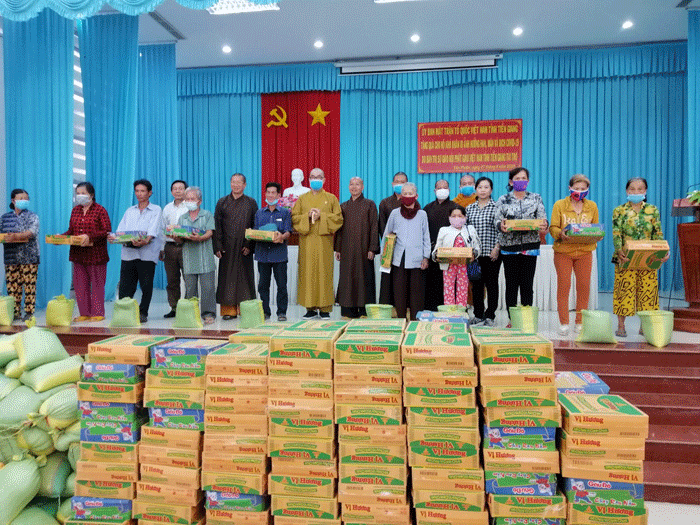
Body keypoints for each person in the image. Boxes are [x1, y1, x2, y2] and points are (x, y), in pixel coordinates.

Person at [611, 177, 668, 337]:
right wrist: (619, 250)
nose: (636, 192)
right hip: (625, 257)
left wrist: (663, 251)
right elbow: (616, 234)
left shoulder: (653, 210)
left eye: (640, 189)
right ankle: (621, 325)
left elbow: (658, 233)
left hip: (648, 257)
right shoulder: (619, 211)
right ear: (627, 191)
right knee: (624, 291)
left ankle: (645, 325)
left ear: (645, 191)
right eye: (632, 189)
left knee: (647, 291)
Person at [495, 167, 548, 320]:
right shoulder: (503, 199)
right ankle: (512, 319)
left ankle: (526, 319)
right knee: (511, 285)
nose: (520, 181)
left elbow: (542, 218)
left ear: (528, 181)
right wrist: (501, 226)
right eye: (517, 178)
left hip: (530, 247)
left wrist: (544, 225)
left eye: (523, 178)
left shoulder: (536, 198)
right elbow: (496, 220)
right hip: (509, 247)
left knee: (527, 284)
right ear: (511, 181)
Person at [549, 174, 599, 335]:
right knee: (564, 287)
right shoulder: (559, 205)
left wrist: (598, 234)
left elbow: (596, 227)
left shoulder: (592, 206)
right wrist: (560, 233)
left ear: (588, 190)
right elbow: (553, 228)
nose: (579, 191)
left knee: (583, 287)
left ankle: (580, 322)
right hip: (564, 252)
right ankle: (564, 322)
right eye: (576, 188)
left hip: (585, 251)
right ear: (570, 188)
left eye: (583, 189)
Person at [292, 168, 343, 319]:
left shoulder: (331, 198)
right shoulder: (302, 199)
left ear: (324, 179)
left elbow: (338, 219)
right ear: (308, 179)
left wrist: (323, 216)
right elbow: (294, 218)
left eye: (319, 177)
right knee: (307, 273)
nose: (316, 179)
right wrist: (306, 216)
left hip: (324, 242)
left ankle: (325, 308)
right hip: (307, 241)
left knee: (324, 273)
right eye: (313, 177)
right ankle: (310, 308)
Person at [111, 179, 164, 323]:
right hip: (129, 253)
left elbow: (153, 230)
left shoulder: (156, 209)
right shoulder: (129, 211)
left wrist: (145, 240)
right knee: (126, 286)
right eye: (137, 191)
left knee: (146, 285)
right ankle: (124, 312)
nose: (139, 194)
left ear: (150, 193)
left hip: (147, 254)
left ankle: (143, 312)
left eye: (143, 191)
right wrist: (115, 238)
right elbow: (120, 230)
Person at [64, 182, 111, 322]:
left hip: (96, 254)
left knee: (97, 284)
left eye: (83, 193)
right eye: (78, 193)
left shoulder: (100, 210)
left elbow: (106, 230)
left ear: (91, 195)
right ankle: (84, 313)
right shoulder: (75, 210)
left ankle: (98, 313)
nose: (80, 196)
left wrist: (89, 236)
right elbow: (71, 231)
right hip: (78, 254)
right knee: (80, 285)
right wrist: (61, 237)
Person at [383, 182, 430, 320]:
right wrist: (385, 255)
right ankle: (401, 319)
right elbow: (387, 234)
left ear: (416, 196)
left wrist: (426, 257)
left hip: (417, 258)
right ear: (401, 196)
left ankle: (416, 320)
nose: (408, 196)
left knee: (416, 292)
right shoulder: (394, 213)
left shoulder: (422, 214)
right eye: (405, 194)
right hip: (399, 257)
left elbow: (426, 236)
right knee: (399, 291)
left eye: (411, 194)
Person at [214, 173, 257, 320]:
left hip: (244, 247)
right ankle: (228, 311)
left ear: (245, 185)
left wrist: (249, 245)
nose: (236, 185)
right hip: (227, 247)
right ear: (230, 183)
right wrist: (217, 246)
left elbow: (254, 225)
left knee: (245, 278)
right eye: (233, 182)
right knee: (227, 279)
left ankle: (246, 309)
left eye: (239, 182)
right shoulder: (222, 202)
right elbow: (217, 226)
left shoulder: (251, 203)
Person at [334, 177, 380, 318]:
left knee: (364, 278)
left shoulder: (369, 205)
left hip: (364, 249)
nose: (354, 187)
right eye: (351, 184)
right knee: (347, 278)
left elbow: (374, 227)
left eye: (357, 184)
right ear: (348, 187)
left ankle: (364, 311)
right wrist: (338, 248)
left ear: (362, 187)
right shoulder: (343, 206)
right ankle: (348, 311)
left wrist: (372, 248)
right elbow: (339, 229)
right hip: (347, 249)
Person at [174, 187, 216, 324]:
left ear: (199, 201)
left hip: (205, 258)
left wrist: (200, 237)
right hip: (188, 259)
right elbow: (180, 239)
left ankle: (208, 314)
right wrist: (175, 237)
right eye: (187, 199)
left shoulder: (207, 215)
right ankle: (192, 313)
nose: (189, 201)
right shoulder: (182, 218)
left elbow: (210, 232)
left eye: (192, 199)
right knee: (190, 288)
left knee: (208, 288)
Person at [254, 182, 291, 322]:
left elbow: (288, 231)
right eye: (268, 192)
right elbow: (255, 231)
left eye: (273, 192)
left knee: (282, 285)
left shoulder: (285, 212)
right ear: (265, 194)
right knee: (263, 286)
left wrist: (282, 237)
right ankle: (265, 312)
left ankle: (282, 312)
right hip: (262, 255)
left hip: (279, 255)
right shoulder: (259, 213)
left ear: (279, 195)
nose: (270, 195)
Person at [466, 177, 501, 326]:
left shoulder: (497, 207)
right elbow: (465, 231)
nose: (483, 190)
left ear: (491, 190)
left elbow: (501, 230)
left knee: (492, 285)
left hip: (491, 254)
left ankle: (490, 315)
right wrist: (469, 251)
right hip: (474, 256)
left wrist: (497, 248)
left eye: (486, 187)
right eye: (480, 187)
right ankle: (478, 314)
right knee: (476, 285)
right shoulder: (469, 209)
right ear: (476, 189)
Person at [0, 189, 40, 321]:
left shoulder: (32, 216)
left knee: (29, 286)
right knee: (12, 287)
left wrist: (17, 236)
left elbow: (32, 232)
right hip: (11, 257)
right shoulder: (5, 218)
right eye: (21, 198)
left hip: (29, 256)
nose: (24, 200)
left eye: (26, 198)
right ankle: (15, 312)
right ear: (13, 200)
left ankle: (29, 312)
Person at [432, 206, 481, 308]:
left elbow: (477, 247)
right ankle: (449, 313)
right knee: (448, 289)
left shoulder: (470, 229)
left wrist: (474, 254)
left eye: (460, 216)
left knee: (463, 289)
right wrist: (436, 255)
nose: (457, 218)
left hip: (464, 265)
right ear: (449, 217)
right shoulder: (444, 230)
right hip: (448, 265)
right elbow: (437, 248)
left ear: (465, 217)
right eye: (453, 216)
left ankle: (461, 312)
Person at [424, 179, 458, 311]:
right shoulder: (428, 208)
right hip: (433, 250)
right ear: (435, 190)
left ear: (449, 190)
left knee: (449, 282)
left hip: (450, 252)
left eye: (445, 187)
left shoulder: (455, 208)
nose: (442, 189)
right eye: (439, 187)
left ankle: (449, 309)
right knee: (432, 282)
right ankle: (431, 309)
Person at [377, 171, 408, 305]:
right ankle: (387, 307)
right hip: (389, 245)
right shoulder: (385, 203)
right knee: (388, 278)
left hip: (406, 246)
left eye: (403, 182)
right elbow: (382, 225)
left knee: (404, 277)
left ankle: (404, 307)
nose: (399, 184)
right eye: (397, 181)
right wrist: (387, 244)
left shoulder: (412, 202)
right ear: (392, 184)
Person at [161, 180, 188, 318]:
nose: (178, 191)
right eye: (175, 189)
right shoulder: (167, 208)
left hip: (186, 246)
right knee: (172, 280)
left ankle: (189, 307)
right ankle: (174, 308)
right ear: (171, 192)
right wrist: (161, 249)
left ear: (186, 190)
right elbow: (162, 229)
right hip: (170, 247)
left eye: (181, 188)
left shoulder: (190, 207)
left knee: (188, 278)